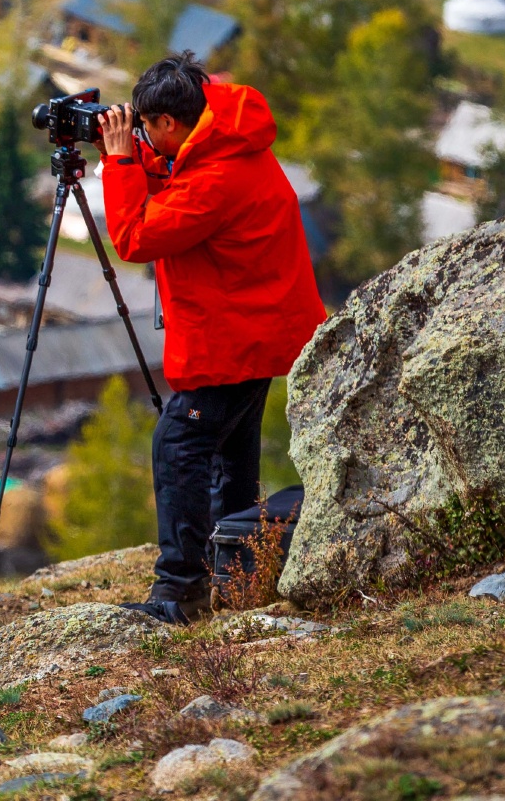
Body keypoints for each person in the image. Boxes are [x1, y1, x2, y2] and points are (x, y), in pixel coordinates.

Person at [96, 52, 325, 625]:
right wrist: (139, 157)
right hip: (258, 328)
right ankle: (237, 575)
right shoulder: (227, 141)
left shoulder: (216, 179)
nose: (142, 135)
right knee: (231, 458)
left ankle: (180, 591)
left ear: (168, 122)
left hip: (238, 338)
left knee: (179, 446)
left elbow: (136, 236)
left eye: (146, 127)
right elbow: (179, 184)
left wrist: (120, 163)